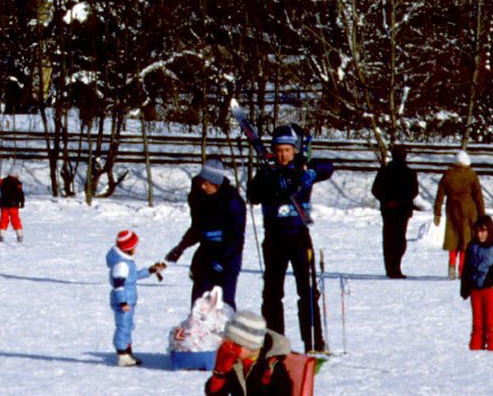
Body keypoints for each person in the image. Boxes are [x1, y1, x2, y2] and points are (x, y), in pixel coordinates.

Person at [246, 126, 334, 352]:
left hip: (299, 237)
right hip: (274, 239)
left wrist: (310, 173)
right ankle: (276, 341)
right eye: (278, 150)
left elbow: (328, 167)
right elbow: (252, 195)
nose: (282, 155)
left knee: (307, 290)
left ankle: (314, 341)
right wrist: (272, 185)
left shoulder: (302, 167)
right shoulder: (267, 173)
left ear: (294, 150)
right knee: (273, 293)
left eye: (286, 150)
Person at [165, 158, 248, 308]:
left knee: (223, 304)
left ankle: (226, 329)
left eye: (206, 184)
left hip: (228, 257)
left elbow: (236, 238)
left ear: (216, 184)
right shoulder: (199, 197)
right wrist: (181, 247)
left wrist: (223, 260)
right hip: (206, 254)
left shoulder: (232, 201)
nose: (202, 186)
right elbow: (198, 228)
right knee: (199, 303)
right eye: (201, 182)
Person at [204, 311, 318, 396]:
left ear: (251, 345)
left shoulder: (273, 368)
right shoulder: (236, 363)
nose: (230, 349)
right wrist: (220, 373)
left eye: (236, 345)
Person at [107, 229, 165, 366]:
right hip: (124, 301)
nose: (136, 249)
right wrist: (123, 302)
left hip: (129, 300)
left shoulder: (127, 262)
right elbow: (118, 286)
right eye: (134, 247)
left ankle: (128, 352)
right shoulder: (121, 265)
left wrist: (150, 270)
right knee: (123, 326)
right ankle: (122, 354)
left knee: (128, 326)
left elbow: (133, 277)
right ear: (129, 248)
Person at [459, 214, 493, 351]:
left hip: (492, 290)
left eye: (483, 231)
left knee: (491, 324)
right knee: (477, 324)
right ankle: (475, 351)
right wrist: (465, 288)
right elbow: (466, 270)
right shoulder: (472, 247)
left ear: (490, 231)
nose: (480, 234)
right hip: (476, 290)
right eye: (477, 231)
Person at [433, 150, 485, 279]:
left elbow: (439, 195)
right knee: (465, 241)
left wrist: (437, 212)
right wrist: (482, 214)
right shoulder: (471, 175)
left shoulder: (448, 175)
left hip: (452, 210)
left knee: (453, 239)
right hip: (469, 211)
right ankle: (462, 269)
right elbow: (478, 196)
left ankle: (451, 265)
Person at [370, 145, 419, 278]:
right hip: (399, 210)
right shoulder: (408, 173)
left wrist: (388, 201)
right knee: (398, 240)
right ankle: (394, 268)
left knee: (390, 239)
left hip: (391, 210)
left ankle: (392, 268)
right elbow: (413, 192)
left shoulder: (387, 171)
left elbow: (376, 190)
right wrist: (396, 202)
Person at [0, 169, 26, 243]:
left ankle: (1, 235)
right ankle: (19, 235)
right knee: (15, 219)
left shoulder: (2, 181)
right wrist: (22, 202)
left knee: (3, 219)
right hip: (14, 205)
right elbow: (20, 193)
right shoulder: (18, 183)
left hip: (4, 204)